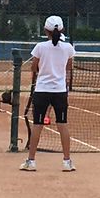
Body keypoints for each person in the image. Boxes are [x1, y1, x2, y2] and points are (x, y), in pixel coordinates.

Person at [20, 15, 76, 173]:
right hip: (59, 91)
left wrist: (43, 71)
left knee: (37, 125)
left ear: (45, 30)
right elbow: (69, 67)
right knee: (62, 125)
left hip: (42, 90)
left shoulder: (40, 47)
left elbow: (34, 67)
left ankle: (31, 161)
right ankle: (67, 162)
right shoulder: (68, 48)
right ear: (62, 30)